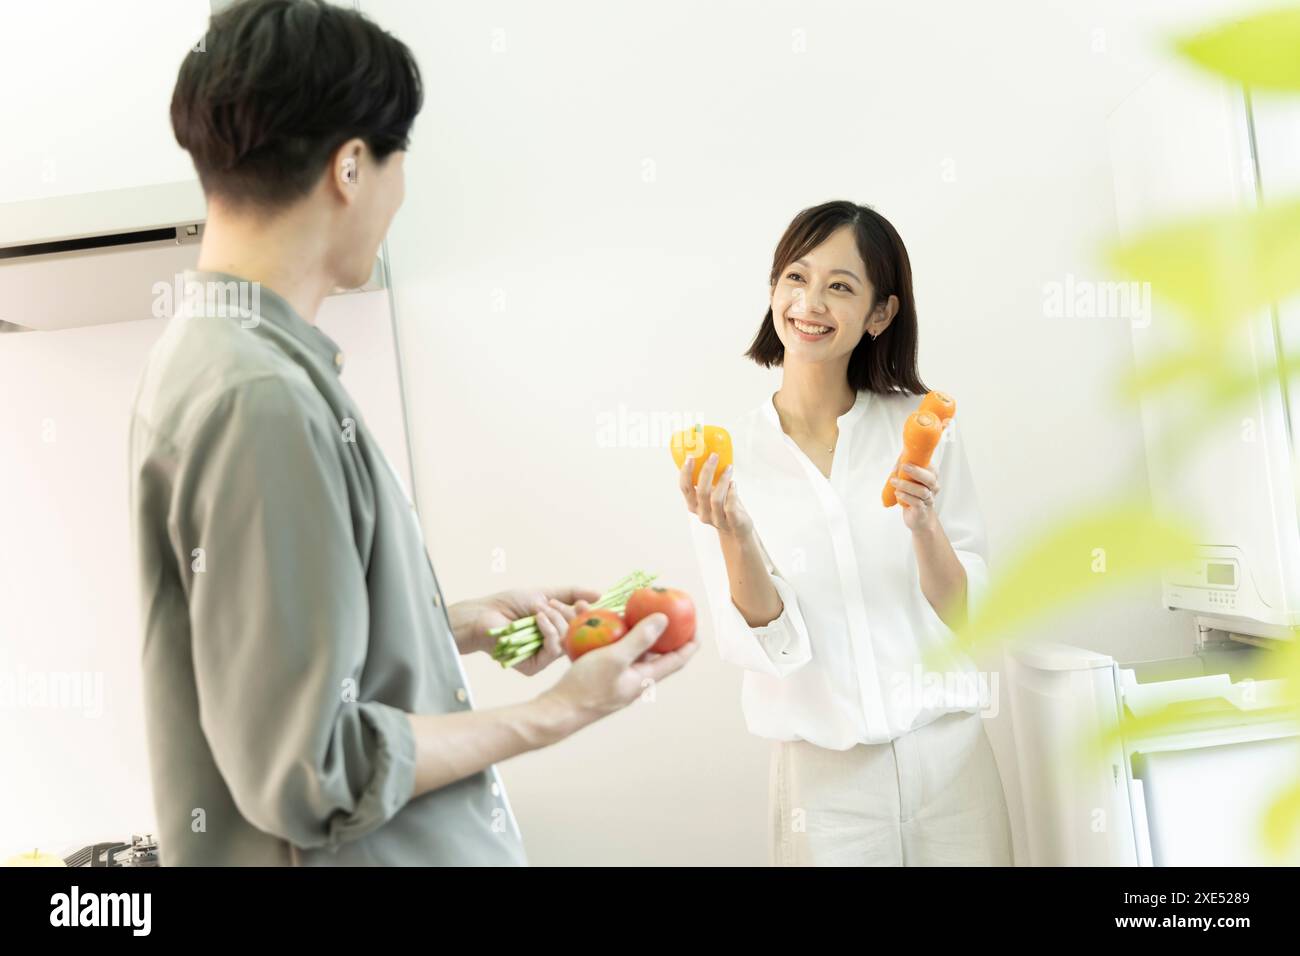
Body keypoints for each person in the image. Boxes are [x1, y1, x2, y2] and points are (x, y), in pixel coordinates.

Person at [128, 0, 696, 866]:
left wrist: (447, 624)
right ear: (350, 168)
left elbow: (292, 662)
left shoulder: (229, 360)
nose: (399, 192)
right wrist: (562, 709)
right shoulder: (261, 396)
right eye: (400, 160)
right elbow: (309, 771)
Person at [680, 200, 1012, 866]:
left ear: (880, 313)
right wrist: (737, 536)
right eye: (796, 279)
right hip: (824, 782)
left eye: (840, 286)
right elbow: (769, 645)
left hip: (950, 760)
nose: (810, 303)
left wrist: (923, 528)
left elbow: (967, 614)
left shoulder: (923, 430)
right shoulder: (724, 460)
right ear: (774, 290)